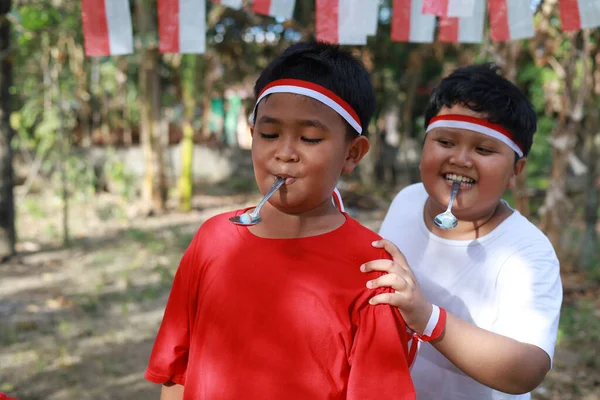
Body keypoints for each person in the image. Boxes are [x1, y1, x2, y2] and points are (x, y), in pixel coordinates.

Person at [144, 41, 416, 400]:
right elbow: (178, 374)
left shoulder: (372, 272)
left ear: (352, 153)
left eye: (310, 138)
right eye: (269, 134)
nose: (284, 154)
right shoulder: (213, 241)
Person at [360, 63, 563, 400]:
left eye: (483, 150)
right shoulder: (408, 200)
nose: (461, 159)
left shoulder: (528, 252)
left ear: (516, 171)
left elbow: (528, 369)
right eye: (445, 141)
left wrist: (428, 318)